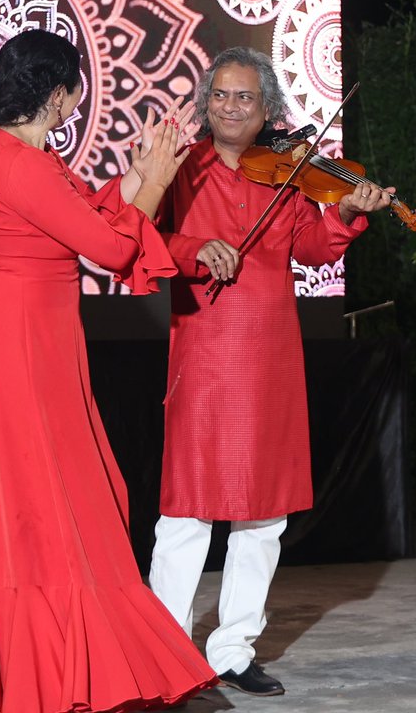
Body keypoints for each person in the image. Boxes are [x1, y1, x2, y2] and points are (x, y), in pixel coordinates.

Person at [0, 29, 217, 713]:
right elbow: (105, 244)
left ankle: (68, 672)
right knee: (40, 512)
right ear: (56, 92)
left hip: (36, 343)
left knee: (68, 504)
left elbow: (95, 207)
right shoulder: (17, 163)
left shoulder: (29, 156)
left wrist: (142, 174)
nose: (75, 104)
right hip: (15, 350)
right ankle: (47, 676)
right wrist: (155, 180)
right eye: (74, 92)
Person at [147, 46, 393, 696]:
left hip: (270, 359)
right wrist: (198, 249)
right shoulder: (179, 166)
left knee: (264, 515)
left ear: (268, 111)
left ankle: (232, 649)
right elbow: (141, 239)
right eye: (221, 96)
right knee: (187, 510)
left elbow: (312, 249)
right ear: (205, 104)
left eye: (245, 98)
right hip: (203, 353)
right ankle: (167, 651)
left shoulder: (287, 174)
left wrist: (343, 214)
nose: (230, 107)